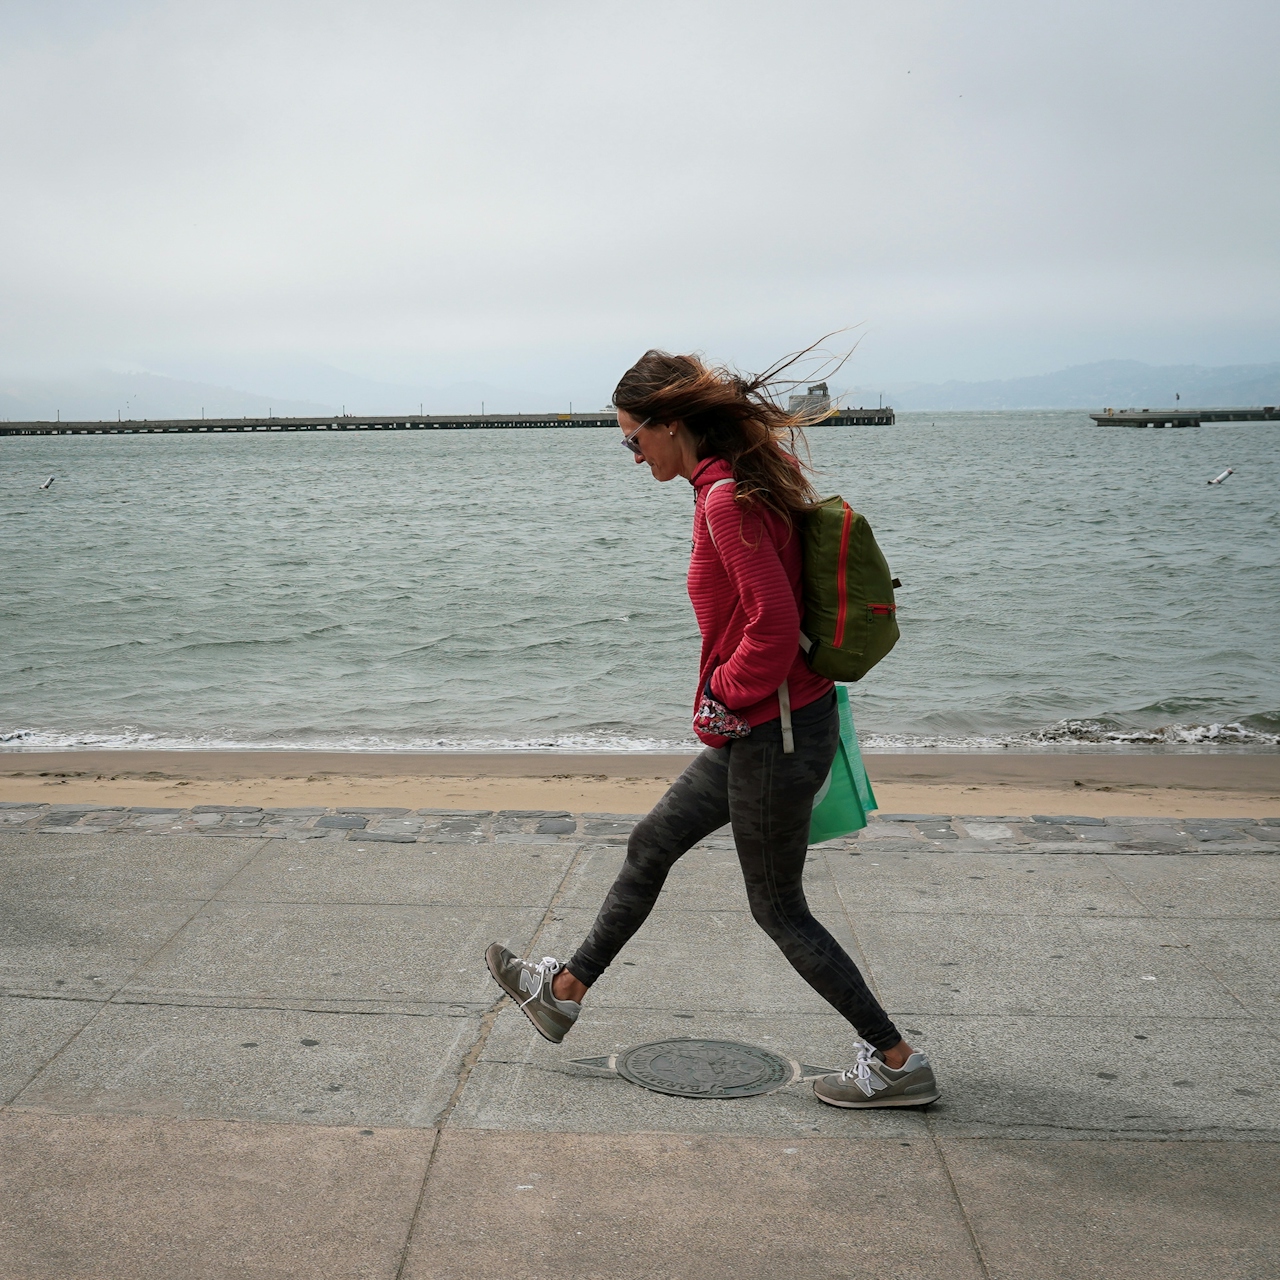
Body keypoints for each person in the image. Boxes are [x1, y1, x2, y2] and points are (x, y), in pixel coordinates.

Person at [486, 348, 939, 1109]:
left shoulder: (725, 499)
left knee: (779, 909)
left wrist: (720, 697)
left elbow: (773, 624)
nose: (631, 455)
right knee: (652, 843)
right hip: (771, 727)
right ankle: (562, 992)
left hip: (772, 734)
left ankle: (895, 1060)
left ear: (672, 426)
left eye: (633, 438)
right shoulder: (730, 485)